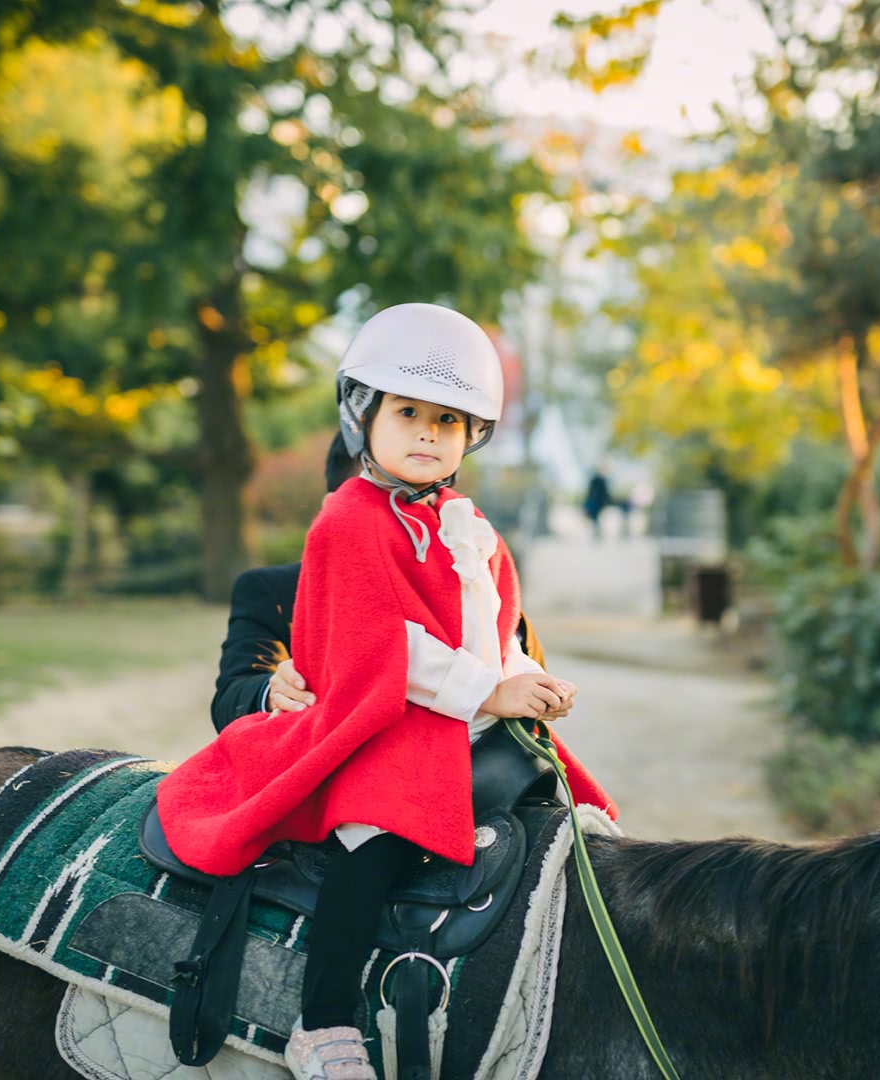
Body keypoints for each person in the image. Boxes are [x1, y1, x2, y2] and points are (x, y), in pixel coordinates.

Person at [158, 303, 615, 1080]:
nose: (428, 433)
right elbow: (386, 645)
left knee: (570, 811)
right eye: (407, 413)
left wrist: (520, 680)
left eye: (449, 419)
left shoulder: (472, 529)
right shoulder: (346, 522)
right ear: (363, 414)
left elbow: (494, 626)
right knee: (377, 833)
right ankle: (325, 1019)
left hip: (461, 723)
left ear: (472, 435)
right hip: (379, 725)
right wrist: (487, 693)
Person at [212, 434, 558, 732]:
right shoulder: (273, 592)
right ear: (331, 511)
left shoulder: (480, 586)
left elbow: (529, 685)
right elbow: (231, 698)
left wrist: (539, 693)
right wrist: (272, 691)